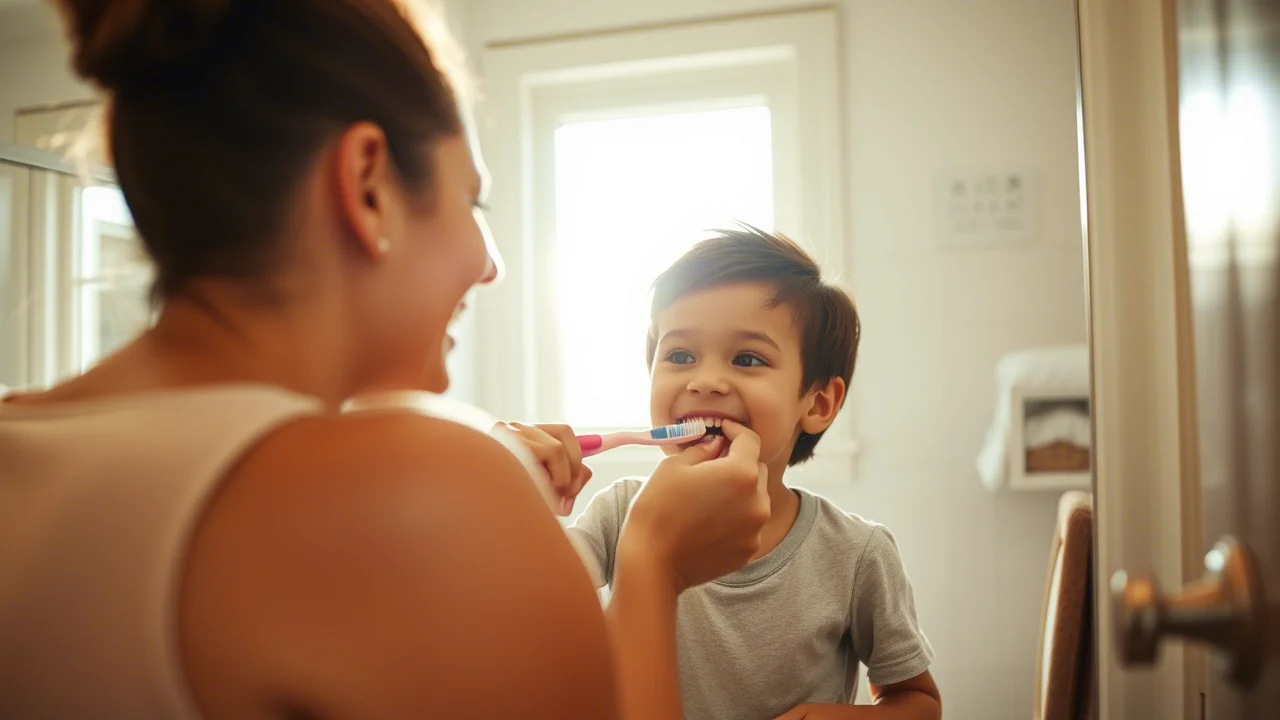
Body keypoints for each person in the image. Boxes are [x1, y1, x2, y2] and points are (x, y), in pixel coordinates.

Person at [0, 1, 771, 718]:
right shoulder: (431, 484)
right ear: (368, 184)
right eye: (472, 202)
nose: (489, 262)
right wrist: (655, 567)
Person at [553, 227, 942, 720]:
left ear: (818, 402)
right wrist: (517, 488)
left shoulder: (857, 555)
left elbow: (920, 703)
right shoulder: (619, 515)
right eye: (679, 355)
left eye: (747, 358)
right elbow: (524, 609)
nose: (707, 380)